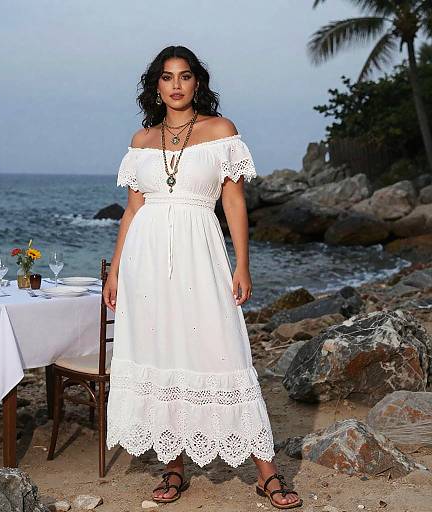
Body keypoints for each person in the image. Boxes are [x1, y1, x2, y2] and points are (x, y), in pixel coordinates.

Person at [103, 45, 302, 510]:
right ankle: (173, 465)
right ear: (156, 86)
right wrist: (115, 270)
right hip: (144, 262)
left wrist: (243, 262)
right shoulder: (141, 140)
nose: (176, 85)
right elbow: (133, 210)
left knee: (222, 350)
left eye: (185, 76)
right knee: (160, 350)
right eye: (167, 77)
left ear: (197, 83)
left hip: (201, 251)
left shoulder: (221, 132)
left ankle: (266, 470)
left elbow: (233, 202)